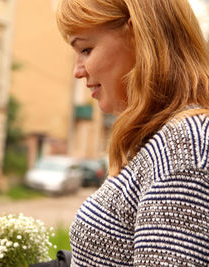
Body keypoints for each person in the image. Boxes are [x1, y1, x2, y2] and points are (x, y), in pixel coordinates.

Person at [32, 0, 209, 266]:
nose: (77, 71)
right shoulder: (161, 140)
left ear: (137, 36)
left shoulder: (184, 148)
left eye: (86, 49)